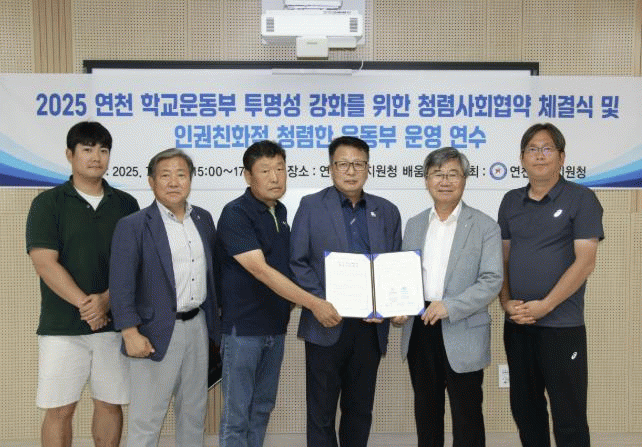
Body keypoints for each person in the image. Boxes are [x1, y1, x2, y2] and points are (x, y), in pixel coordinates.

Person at [216, 140, 340, 447]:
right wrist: (314, 303)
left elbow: (292, 266)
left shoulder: (281, 212)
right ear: (248, 176)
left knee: (261, 409)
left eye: (280, 169)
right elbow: (260, 270)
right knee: (236, 415)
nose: (275, 177)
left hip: (275, 328)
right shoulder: (236, 213)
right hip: (243, 331)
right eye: (265, 170)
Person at [25, 121, 139, 447]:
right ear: (70, 154)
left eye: (103, 150)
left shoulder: (126, 204)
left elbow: (135, 265)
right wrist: (88, 306)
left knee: (110, 404)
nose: (96, 157)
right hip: (62, 328)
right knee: (60, 409)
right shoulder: (48, 203)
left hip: (113, 325)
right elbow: (44, 263)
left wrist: (107, 301)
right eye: (87, 149)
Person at [290, 136, 402, 447]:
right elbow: (297, 262)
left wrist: (387, 304)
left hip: (369, 327)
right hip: (325, 322)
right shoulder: (311, 206)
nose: (350, 171)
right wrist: (320, 303)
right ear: (331, 168)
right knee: (321, 412)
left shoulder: (387, 211)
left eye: (358, 164)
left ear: (368, 168)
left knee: (360, 410)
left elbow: (394, 265)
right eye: (343, 164)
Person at [498, 123, 603, 447]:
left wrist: (545, 305)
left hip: (561, 326)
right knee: (525, 411)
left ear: (561, 157)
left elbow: (585, 262)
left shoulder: (581, 198)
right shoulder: (510, 201)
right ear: (522, 158)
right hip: (518, 325)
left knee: (569, 416)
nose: (539, 155)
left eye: (546, 149)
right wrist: (506, 302)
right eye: (532, 149)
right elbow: (502, 260)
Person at [109, 148, 220, 447]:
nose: (174, 182)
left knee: (194, 414)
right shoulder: (133, 225)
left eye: (181, 174)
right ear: (151, 181)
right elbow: (121, 284)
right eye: (165, 175)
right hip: (153, 331)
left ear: (190, 180)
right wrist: (129, 332)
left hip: (197, 327)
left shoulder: (203, 219)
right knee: (147, 420)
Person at [392, 147, 502, 447]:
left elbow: (492, 280)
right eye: (437, 174)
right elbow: (403, 275)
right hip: (420, 325)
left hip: (462, 326)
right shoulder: (414, 224)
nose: (445, 181)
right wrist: (399, 308)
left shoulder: (485, 226)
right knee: (426, 413)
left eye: (453, 174)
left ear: (464, 179)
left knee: (467, 416)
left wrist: (449, 306)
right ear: (426, 180)